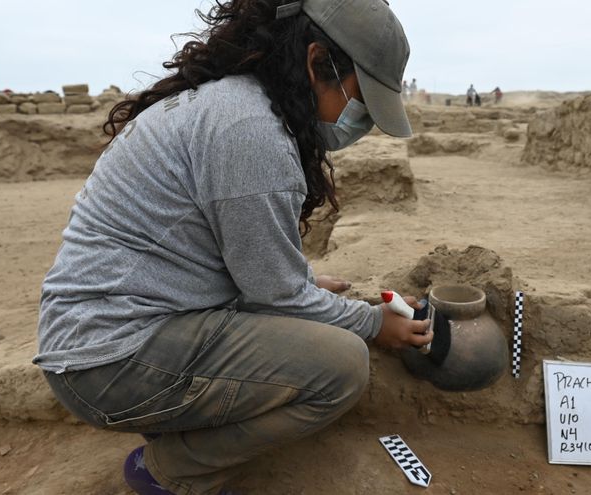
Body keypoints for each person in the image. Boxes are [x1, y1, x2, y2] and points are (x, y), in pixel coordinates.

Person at [33, 1, 432, 494]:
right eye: (361, 101)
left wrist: (300, 287)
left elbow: (241, 266)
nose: (362, 122)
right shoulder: (251, 133)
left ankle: (180, 418)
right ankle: (170, 470)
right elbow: (276, 297)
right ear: (316, 62)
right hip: (109, 362)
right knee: (343, 366)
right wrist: (373, 323)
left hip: (104, 339)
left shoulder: (234, 105)